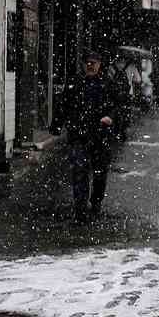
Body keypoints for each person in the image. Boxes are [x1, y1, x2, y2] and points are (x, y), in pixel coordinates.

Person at [51, 49, 122, 223]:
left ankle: (96, 201)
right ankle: (80, 208)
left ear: (99, 64)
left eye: (94, 62)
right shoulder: (75, 83)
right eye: (87, 62)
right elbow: (64, 105)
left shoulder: (107, 83)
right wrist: (57, 124)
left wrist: (111, 117)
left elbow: (119, 105)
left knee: (99, 173)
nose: (90, 65)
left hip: (100, 135)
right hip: (79, 134)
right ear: (83, 64)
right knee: (79, 170)